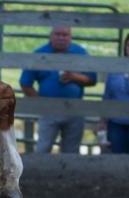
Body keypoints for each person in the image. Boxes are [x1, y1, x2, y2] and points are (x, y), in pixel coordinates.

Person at [20, 25, 96, 155]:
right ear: (51, 36)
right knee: (43, 148)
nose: (61, 38)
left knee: (71, 151)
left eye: (65, 35)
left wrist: (74, 77)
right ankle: (41, 173)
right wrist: (40, 103)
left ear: (70, 37)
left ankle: (69, 174)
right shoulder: (40, 53)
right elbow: (25, 82)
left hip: (75, 109)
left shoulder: (80, 53)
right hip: (48, 110)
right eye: (57, 34)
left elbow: (92, 79)